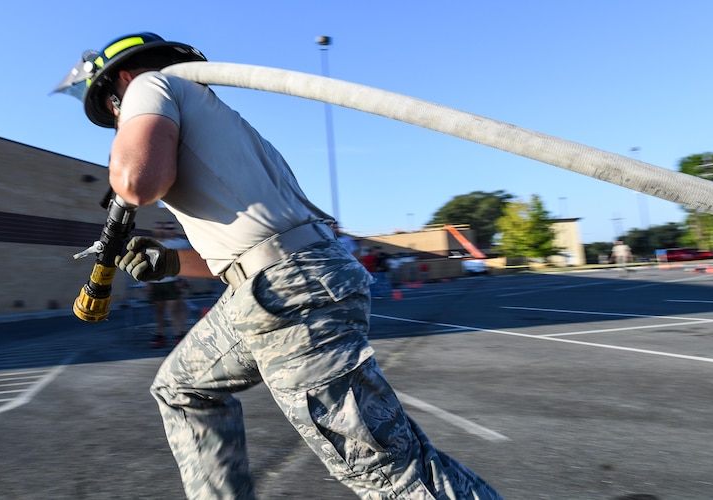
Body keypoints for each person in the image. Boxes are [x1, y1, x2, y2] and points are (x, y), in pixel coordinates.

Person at [54, 32, 503, 499]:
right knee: (181, 388)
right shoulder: (223, 127)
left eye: (111, 105)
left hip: (289, 291)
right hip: (276, 285)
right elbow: (248, 253)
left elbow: (137, 181)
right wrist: (169, 262)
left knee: (386, 471)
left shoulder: (148, 86)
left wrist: (127, 150)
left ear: (123, 78)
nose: (116, 117)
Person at [147, 221, 191, 348]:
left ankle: (178, 335)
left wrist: (184, 280)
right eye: (161, 228)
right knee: (159, 311)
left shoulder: (180, 243)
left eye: (169, 228)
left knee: (174, 310)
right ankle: (160, 336)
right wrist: (147, 283)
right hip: (156, 283)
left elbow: (187, 262)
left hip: (173, 282)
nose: (164, 231)